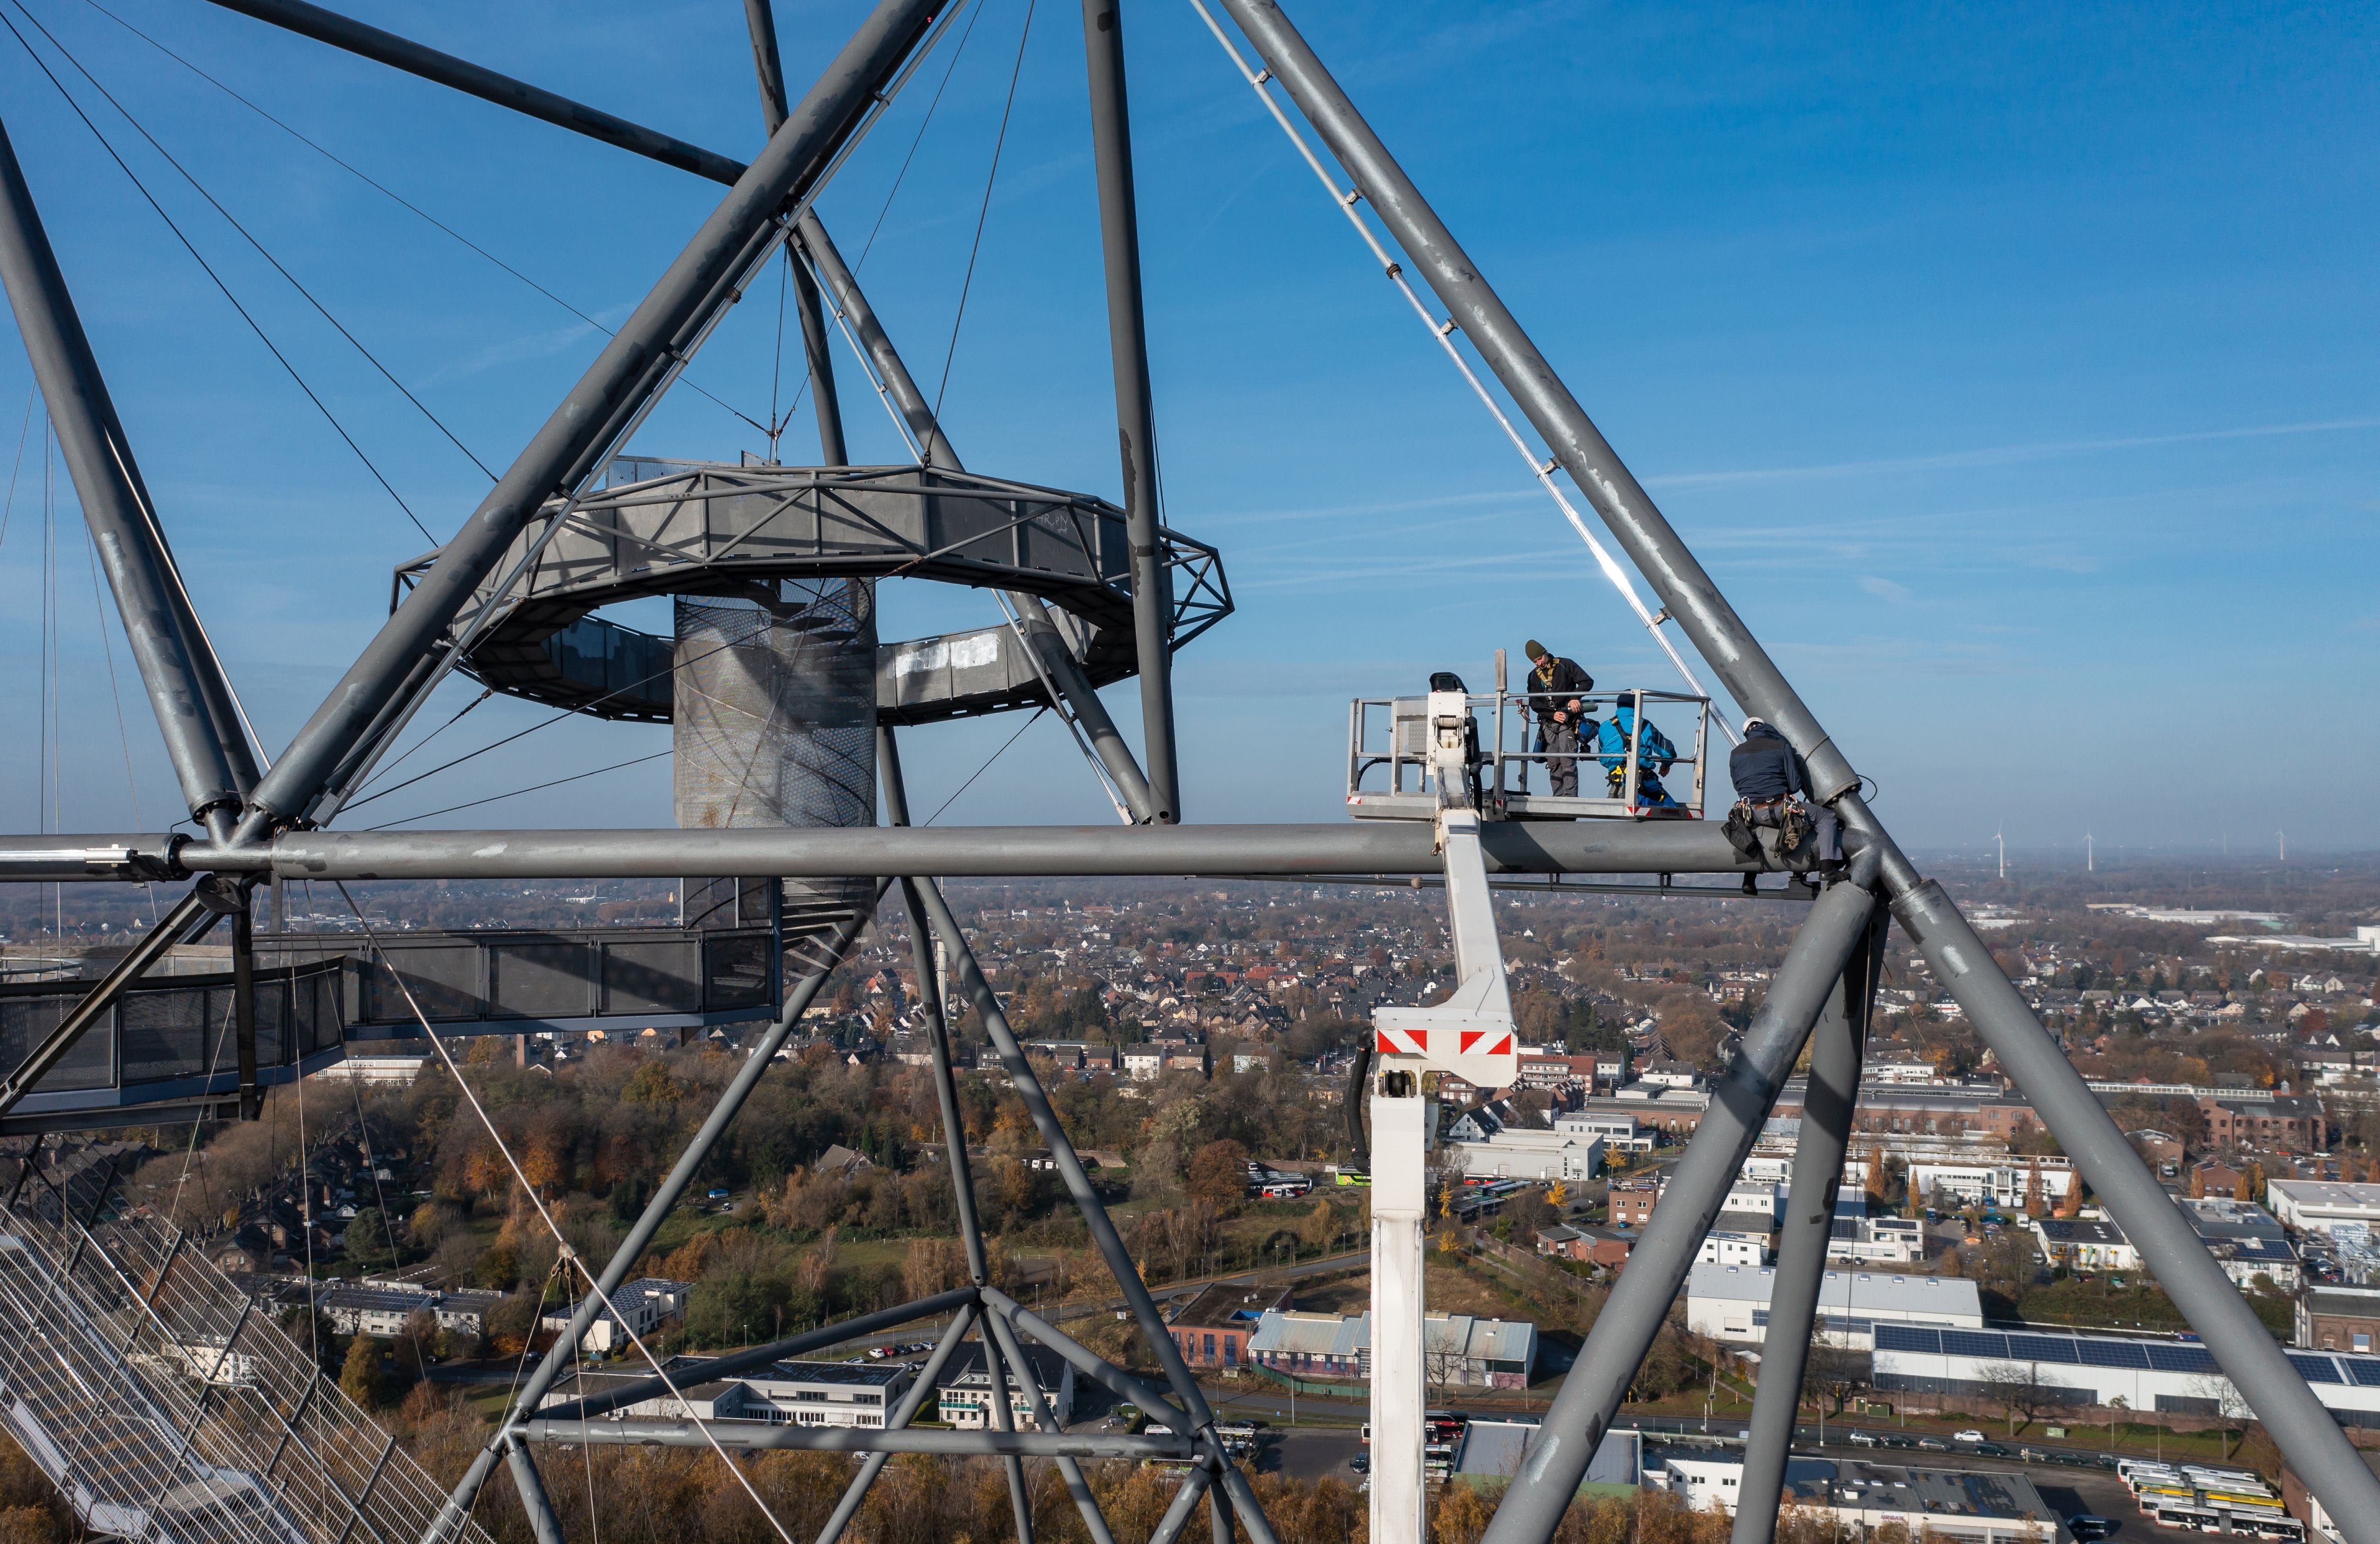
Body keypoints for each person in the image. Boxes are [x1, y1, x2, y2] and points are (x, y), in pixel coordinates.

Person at [1725, 717, 1843, 888]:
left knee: (1751, 829)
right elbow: (1795, 785)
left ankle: (1749, 880)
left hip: (1749, 812)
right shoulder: (1781, 746)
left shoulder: (1735, 753)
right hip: (1779, 808)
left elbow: (1738, 786)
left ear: (1747, 734)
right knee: (1827, 817)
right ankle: (1827, 868)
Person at [1519, 640, 1593, 796]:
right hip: (1549, 724)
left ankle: (1570, 798)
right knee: (1553, 762)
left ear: (1545, 653)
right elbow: (1534, 702)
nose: (1539, 663)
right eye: (1535, 661)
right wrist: (1552, 714)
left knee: (1568, 761)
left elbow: (1586, 681)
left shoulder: (1565, 665)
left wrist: (1575, 698)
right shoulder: (1533, 676)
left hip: (1569, 721)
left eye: (1540, 659)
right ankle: (1558, 797)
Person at [1597, 690, 1681, 809]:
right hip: (1644, 782)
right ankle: (1638, 798)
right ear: (1637, 705)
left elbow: (1603, 759)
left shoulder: (1605, 726)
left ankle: (1623, 791)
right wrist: (1666, 764)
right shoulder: (1644, 726)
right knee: (1672, 809)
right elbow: (1668, 751)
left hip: (1616, 780)